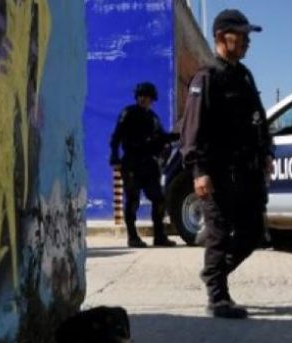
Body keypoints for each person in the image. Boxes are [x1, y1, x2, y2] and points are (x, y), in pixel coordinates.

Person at [180, 9, 273, 319]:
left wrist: (267, 152)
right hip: (218, 172)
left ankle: (214, 273)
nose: (247, 42)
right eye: (242, 36)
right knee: (219, 233)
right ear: (221, 38)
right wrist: (199, 171)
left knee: (253, 232)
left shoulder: (244, 75)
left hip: (247, 172)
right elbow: (192, 128)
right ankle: (217, 299)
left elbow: (258, 118)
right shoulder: (206, 77)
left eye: (248, 36)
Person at [110, 81, 178, 248]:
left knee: (159, 198)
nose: (143, 99)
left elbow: (162, 137)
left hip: (149, 164)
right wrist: (114, 157)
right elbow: (116, 137)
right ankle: (132, 237)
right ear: (137, 97)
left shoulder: (153, 118)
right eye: (141, 96)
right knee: (133, 200)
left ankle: (159, 236)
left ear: (152, 99)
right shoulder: (128, 113)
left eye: (147, 96)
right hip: (131, 163)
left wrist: (178, 136)